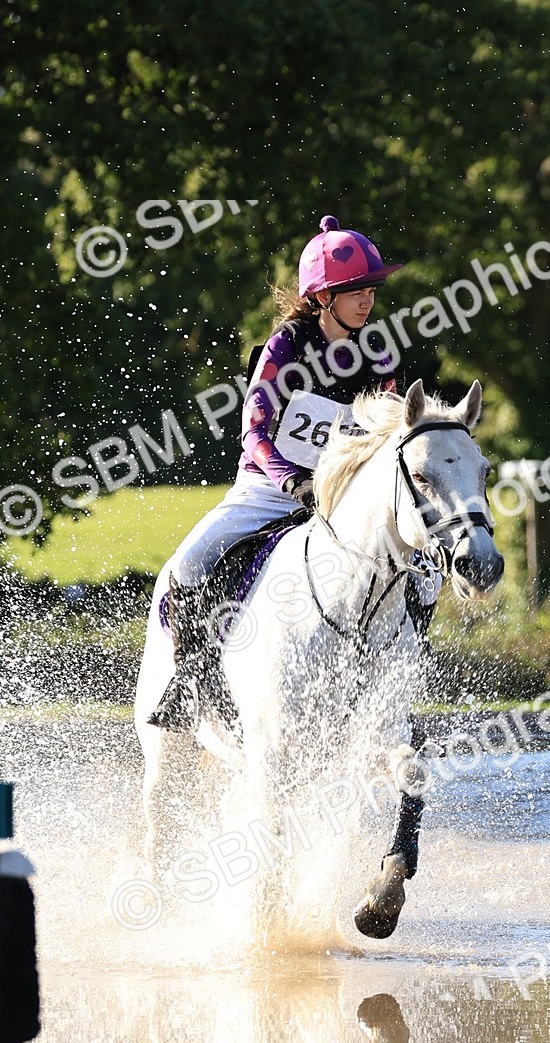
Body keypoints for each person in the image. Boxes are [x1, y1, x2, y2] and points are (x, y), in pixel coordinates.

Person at [149, 215, 403, 730]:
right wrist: (292, 480)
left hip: (343, 497)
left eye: (371, 289)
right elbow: (255, 430)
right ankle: (193, 678)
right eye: (355, 290)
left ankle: (397, 682)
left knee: (416, 578)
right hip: (270, 487)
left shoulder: (377, 353)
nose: (368, 301)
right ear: (323, 296)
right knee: (190, 563)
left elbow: (392, 432)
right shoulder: (286, 347)